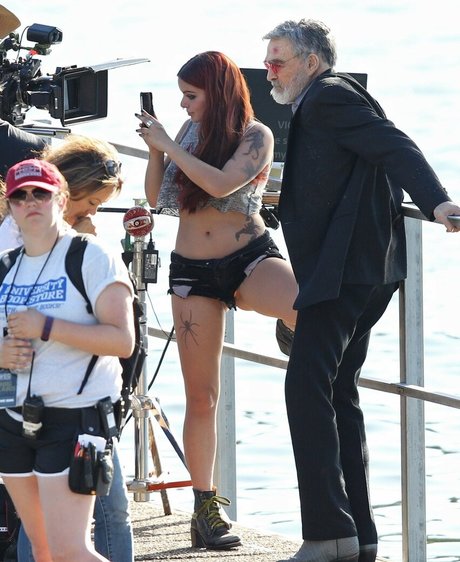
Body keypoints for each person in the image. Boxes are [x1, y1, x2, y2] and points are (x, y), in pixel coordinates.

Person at [261, 19, 460, 562]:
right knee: (336, 392)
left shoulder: (327, 96)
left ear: (311, 61)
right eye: (268, 61)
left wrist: (437, 202)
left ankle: (329, 534)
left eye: (278, 61)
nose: (269, 72)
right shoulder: (327, 96)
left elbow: (395, 146)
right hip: (366, 271)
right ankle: (360, 536)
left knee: (306, 389)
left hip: (344, 274)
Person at [136, 51, 298, 549]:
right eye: (182, 96)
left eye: (192, 96)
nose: (184, 106)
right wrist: (156, 150)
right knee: (202, 396)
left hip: (248, 255)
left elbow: (223, 183)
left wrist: (169, 144)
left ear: (219, 93)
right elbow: (157, 199)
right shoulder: (186, 133)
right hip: (194, 273)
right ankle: (205, 507)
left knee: (306, 305)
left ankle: (286, 330)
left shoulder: (257, 136)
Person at [0, 134, 134, 562]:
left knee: (70, 550)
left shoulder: (90, 254)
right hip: (14, 419)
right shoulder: (6, 264)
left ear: (61, 198)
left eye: (41, 193)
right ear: (10, 205)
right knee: (41, 550)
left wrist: (47, 327)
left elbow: (123, 341)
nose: (30, 202)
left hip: (75, 417)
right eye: (20, 196)